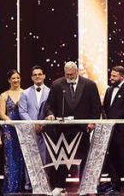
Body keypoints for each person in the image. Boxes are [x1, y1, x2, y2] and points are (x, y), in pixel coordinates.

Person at [45, 61, 102, 195]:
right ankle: (60, 186)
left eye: (71, 74)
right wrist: (50, 114)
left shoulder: (89, 85)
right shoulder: (57, 85)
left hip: (82, 129)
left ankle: (85, 187)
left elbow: (96, 107)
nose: (69, 76)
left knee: (84, 158)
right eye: (67, 74)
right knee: (61, 159)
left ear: (77, 72)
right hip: (62, 129)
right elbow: (49, 105)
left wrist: (92, 122)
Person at [102, 66, 124, 196]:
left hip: (123, 132)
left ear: (122, 76)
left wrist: (112, 121)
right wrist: (107, 121)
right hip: (111, 131)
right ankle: (115, 188)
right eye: (111, 75)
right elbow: (104, 108)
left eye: (114, 76)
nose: (111, 78)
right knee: (113, 161)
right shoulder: (109, 90)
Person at [0, 69, 29, 194]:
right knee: (10, 157)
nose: (16, 80)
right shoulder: (4, 95)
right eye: (13, 78)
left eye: (17, 78)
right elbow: (1, 113)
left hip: (23, 128)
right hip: (9, 129)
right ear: (9, 80)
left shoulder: (25, 93)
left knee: (22, 156)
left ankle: (22, 186)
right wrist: (11, 122)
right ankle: (11, 187)